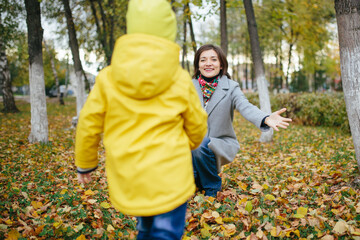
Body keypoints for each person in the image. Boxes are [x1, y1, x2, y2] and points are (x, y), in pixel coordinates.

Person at [74, 0, 208, 239]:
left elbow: (88, 123)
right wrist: (187, 144)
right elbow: (197, 124)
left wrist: (85, 163)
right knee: (166, 232)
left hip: (130, 174)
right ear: (169, 30)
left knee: (145, 227)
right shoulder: (178, 78)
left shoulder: (107, 78)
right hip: (171, 174)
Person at [191, 44, 292, 197]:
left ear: (221, 64)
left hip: (219, 141)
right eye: (203, 60)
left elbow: (245, 106)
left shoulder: (231, 87)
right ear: (198, 65)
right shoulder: (189, 87)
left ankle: (212, 186)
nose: (208, 63)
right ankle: (194, 177)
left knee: (200, 144)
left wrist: (265, 118)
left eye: (213, 59)